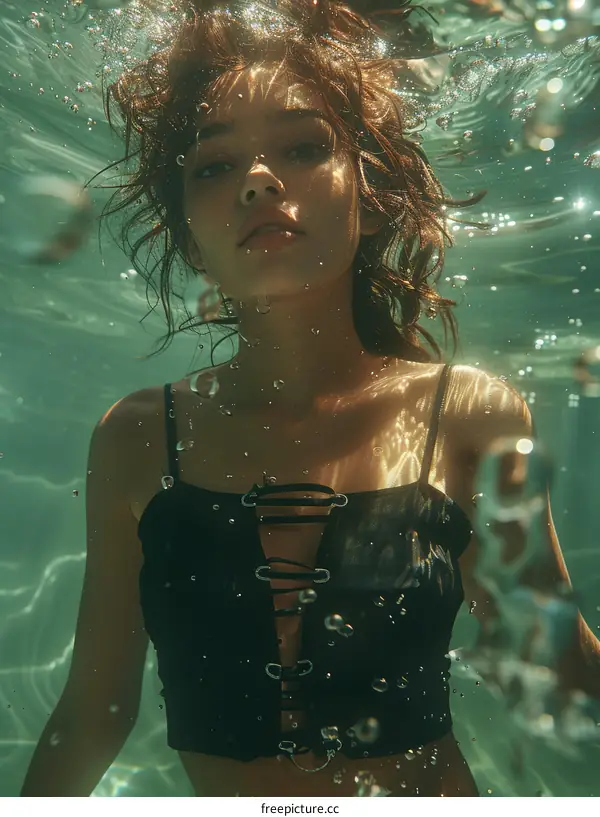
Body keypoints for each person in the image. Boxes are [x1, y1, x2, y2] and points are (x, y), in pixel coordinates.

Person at [20, 0, 600, 798]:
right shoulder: (135, 437)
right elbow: (92, 714)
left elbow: (562, 667)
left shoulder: (466, 414)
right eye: (215, 166)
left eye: (301, 147)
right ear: (188, 232)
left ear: (371, 194)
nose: (259, 179)